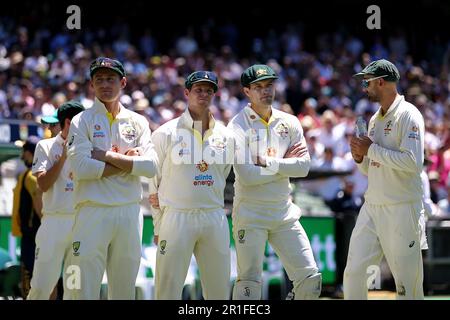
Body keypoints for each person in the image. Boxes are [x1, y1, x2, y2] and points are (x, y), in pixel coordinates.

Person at [66, 57, 158, 299]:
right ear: (92, 85)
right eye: (99, 80)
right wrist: (129, 162)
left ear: (123, 82)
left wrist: (105, 156)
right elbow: (82, 168)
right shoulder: (82, 120)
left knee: (124, 291)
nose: (105, 84)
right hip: (92, 211)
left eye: (110, 79)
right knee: (82, 289)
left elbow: (150, 166)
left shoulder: (138, 122)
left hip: (129, 212)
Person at [228, 64, 321, 300]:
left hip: (283, 212)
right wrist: (285, 163)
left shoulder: (289, 122)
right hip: (250, 213)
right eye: (258, 87)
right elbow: (247, 176)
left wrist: (268, 162)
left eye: (269, 85)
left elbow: (303, 167)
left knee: (310, 279)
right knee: (249, 283)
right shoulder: (237, 126)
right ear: (247, 91)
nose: (265, 91)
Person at [148, 71, 234, 300]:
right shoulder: (165, 133)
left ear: (214, 94)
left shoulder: (226, 136)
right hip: (176, 218)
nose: (203, 94)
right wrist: (158, 226)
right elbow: (152, 183)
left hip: (214, 216)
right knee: (167, 292)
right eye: (198, 89)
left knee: (218, 293)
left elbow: (222, 174)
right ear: (187, 93)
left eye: (208, 90)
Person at [345, 59, 426, 299]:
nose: (364, 88)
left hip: (402, 208)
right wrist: (360, 158)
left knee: (406, 286)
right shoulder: (374, 119)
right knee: (354, 273)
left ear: (381, 82)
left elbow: (413, 163)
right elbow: (372, 169)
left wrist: (370, 150)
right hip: (373, 206)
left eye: (367, 82)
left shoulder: (409, 114)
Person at [27, 101, 85, 300]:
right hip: (54, 222)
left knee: (74, 288)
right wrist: (62, 158)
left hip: (81, 224)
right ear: (69, 123)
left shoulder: (88, 147)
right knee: (42, 287)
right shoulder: (46, 146)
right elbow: (42, 185)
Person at [11, 136, 43, 298]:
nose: (22, 155)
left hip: (33, 237)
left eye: (24, 151)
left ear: (31, 153)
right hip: (32, 236)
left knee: (30, 278)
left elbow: (39, 206)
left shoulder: (31, 176)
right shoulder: (31, 174)